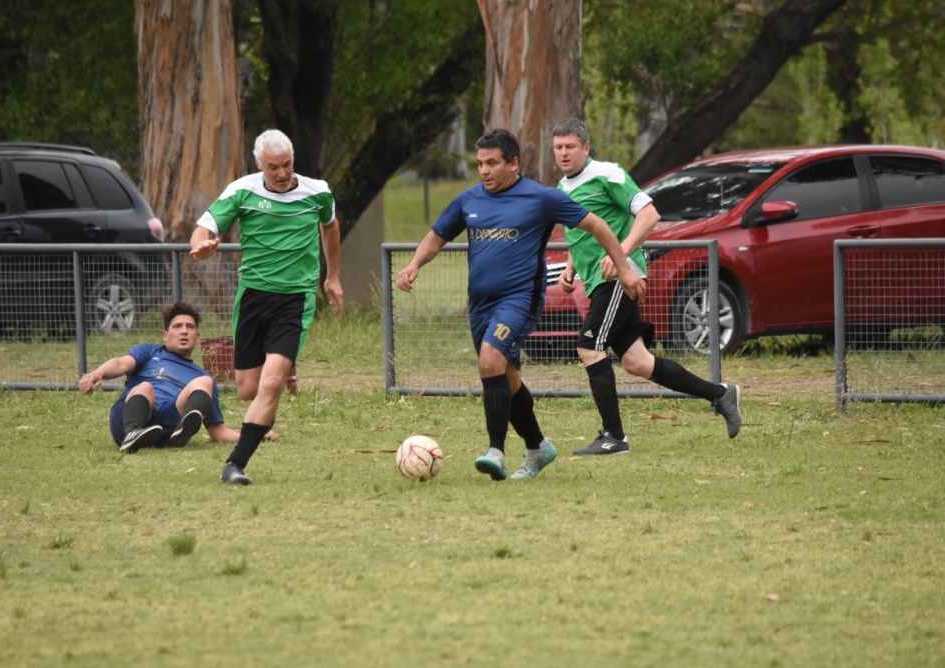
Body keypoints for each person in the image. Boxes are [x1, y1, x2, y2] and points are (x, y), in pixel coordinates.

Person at [396, 128, 646, 481]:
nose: (484, 171)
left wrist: (623, 267)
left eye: (492, 163)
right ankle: (538, 447)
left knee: (489, 359)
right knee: (506, 378)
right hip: (480, 304)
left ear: (513, 163)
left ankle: (495, 450)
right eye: (480, 163)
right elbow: (437, 236)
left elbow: (598, 225)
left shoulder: (541, 198)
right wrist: (413, 265)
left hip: (519, 300)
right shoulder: (469, 200)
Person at [551, 118, 741, 455]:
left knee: (589, 348)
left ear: (586, 148)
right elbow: (586, 231)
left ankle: (614, 437)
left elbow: (650, 215)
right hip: (597, 281)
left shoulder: (608, 174)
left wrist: (622, 257)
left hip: (620, 277)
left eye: (570, 147)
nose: (563, 153)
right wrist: (570, 267)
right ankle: (720, 394)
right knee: (637, 362)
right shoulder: (563, 188)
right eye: (558, 147)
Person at [190, 129, 343, 485]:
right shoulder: (242, 191)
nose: (282, 173)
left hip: (295, 299)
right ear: (260, 165)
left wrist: (332, 275)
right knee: (248, 389)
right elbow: (204, 226)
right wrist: (202, 246)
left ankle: (235, 465)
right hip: (254, 297)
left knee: (271, 384)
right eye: (273, 167)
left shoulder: (316, 191)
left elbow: (330, 226)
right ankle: (278, 370)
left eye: (287, 164)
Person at [79, 302, 274, 451]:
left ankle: (183, 430)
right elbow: (121, 364)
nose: (184, 331)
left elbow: (218, 431)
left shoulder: (202, 377)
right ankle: (132, 433)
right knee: (145, 387)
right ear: (165, 335)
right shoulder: (150, 352)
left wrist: (254, 435)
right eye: (177, 326)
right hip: (128, 419)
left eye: (190, 327)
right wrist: (98, 373)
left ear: (197, 337)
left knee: (205, 381)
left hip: (163, 431)